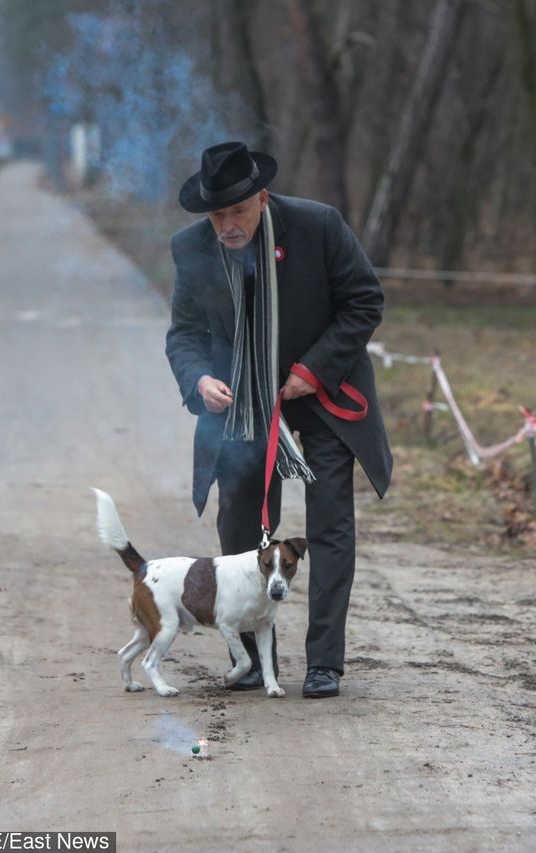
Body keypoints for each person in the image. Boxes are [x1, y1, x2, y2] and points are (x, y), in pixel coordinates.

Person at [165, 141, 392, 698]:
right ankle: (247, 657)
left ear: (262, 198)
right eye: (216, 214)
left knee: (330, 521)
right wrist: (199, 379)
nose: (226, 226)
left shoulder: (318, 226)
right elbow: (185, 335)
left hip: (322, 388)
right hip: (240, 399)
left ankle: (324, 663)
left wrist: (312, 370)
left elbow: (364, 300)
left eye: (236, 212)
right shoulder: (190, 248)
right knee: (238, 516)